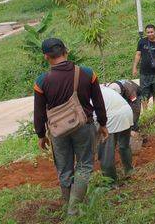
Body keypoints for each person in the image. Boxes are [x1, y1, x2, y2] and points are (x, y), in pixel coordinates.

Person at [33, 38, 108, 215]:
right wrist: (103, 124)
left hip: (58, 131)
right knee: (84, 165)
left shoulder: (42, 81)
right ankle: (74, 210)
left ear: (46, 57)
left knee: (64, 168)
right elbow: (98, 102)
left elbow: (39, 113)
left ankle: (70, 207)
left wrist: (41, 135)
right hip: (84, 126)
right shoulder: (87, 73)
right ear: (66, 51)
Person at [96, 85, 134, 184]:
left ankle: (111, 183)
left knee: (106, 153)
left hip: (111, 118)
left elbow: (95, 119)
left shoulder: (87, 94)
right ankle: (129, 171)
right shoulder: (103, 88)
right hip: (127, 112)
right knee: (124, 145)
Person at [132, 24, 155, 111]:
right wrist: (134, 67)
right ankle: (146, 114)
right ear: (146, 33)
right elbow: (138, 54)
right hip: (144, 74)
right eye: (148, 32)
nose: (150, 34)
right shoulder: (142, 42)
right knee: (144, 95)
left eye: (151, 32)